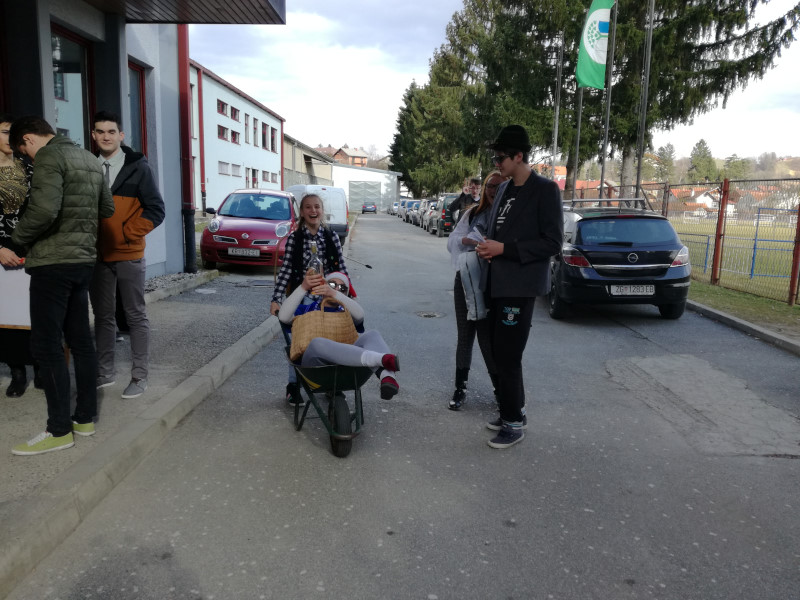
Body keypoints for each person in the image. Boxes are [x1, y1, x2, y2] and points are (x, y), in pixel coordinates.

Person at [9, 116, 114, 455]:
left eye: (23, 151)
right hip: (83, 261)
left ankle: (58, 431)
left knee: (46, 346)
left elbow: (44, 211)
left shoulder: (49, 157)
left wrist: (16, 240)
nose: (27, 158)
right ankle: (84, 419)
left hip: (52, 263)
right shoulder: (88, 158)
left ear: (28, 139)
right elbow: (107, 207)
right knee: (80, 341)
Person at [475, 125, 563, 449]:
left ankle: (512, 424)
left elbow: (552, 242)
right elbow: (498, 232)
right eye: (495, 158)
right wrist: (486, 246)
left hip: (520, 287)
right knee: (499, 352)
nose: (496, 163)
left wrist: (503, 249)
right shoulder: (503, 189)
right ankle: (514, 411)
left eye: (501, 158)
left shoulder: (545, 190)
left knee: (508, 355)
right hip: (495, 283)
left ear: (519, 156)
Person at [89, 111, 165, 400]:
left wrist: (124, 233)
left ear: (121, 135)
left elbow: (156, 209)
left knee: (135, 315)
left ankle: (139, 376)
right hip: (97, 255)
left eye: (111, 131)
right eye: (100, 131)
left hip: (128, 253)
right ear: (93, 136)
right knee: (103, 315)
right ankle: (104, 372)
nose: (105, 136)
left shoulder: (138, 167)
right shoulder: (88, 167)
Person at [270, 193, 349, 404]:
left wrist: (345, 295)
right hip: (301, 296)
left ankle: (331, 384)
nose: (313, 211)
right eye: (308, 207)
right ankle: (293, 386)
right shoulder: (294, 239)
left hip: (327, 296)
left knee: (332, 337)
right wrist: (276, 299)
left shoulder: (332, 237)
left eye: (316, 207)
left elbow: (341, 270)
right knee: (299, 341)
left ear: (322, 210)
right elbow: (286, 271)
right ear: (302, 212)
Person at [279, 271, 399, 397]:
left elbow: (360, 315)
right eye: (332, 284)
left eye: (342, 288)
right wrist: (303, 287)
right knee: (317, 342)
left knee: (373, 334)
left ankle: (388, 377)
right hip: (314, 367)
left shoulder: (347, 313)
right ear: (323, 285)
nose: (336, 288)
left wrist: (334, 293)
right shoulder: (307, 309)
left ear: (345, 294)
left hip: (346, 365)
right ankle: (378, 359)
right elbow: (283, 317)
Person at [445, 170, 506, 411]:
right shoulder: (472, 213)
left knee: (486, 338)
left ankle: (500, 390)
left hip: (490, 282)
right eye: (490, 185)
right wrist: (468, 240)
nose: (493, 190)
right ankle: (459, 388)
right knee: (465, 335)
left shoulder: (507, 215)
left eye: (498, 186)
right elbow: (452, 241)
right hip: (465, 278)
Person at [0, 114, 39, 397]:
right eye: (4, 132)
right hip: (0, 248)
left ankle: (41, 366)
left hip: (31, 246)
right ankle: (17, 372)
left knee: (36, 309)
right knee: (7, 313)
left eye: (13, 132)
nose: (9, 137)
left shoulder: (31, 167)